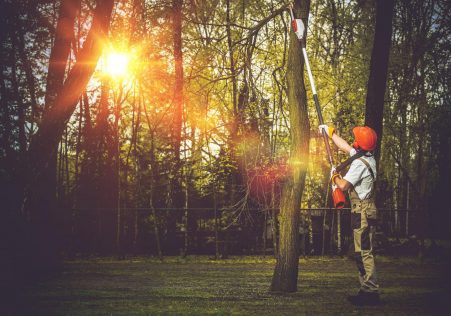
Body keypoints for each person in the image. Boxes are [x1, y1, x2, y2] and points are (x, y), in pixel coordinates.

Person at [319, 124, 380, 305]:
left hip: (362, 211)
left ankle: (371, 292)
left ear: (360, 144)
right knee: (361, 252)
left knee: (364, 253)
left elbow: (344, 186)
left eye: (356, 140)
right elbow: (346, 147)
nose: (353, 142)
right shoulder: (366, 156)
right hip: (362, 210)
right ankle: (366, 289)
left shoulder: (360, 164)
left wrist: (334, 177)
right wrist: (331, 134)